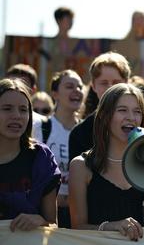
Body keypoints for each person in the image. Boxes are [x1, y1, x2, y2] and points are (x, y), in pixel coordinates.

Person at [68, 83, 144, 241]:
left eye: (137, 111)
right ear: (104, 116)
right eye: (122, 110)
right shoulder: (81, 166)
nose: (131, 117)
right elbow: (77, 228)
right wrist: (112, 226)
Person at [0, 78, 61, 231]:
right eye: (7, 108)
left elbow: (54, 227)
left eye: (23, 109)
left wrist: (40, 221)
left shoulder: (42, 159)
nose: (17, 116)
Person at [35, 70, 84, 228]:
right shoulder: (41, 127)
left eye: (80, 87)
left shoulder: (88, 131)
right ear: (55, 94)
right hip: (45, 213)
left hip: (78, 216)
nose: (76, 91)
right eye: (70, 86)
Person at [68, 52, 130, 162]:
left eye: (116, 82)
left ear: (126, 83)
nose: (110, 88)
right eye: (104, 83)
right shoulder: (81, 133)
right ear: (93, 85)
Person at [6, 64, 44, 142]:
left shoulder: (44, 125)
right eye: (10, 86)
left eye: (23, 86)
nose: (16, 89)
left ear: (34, 90)